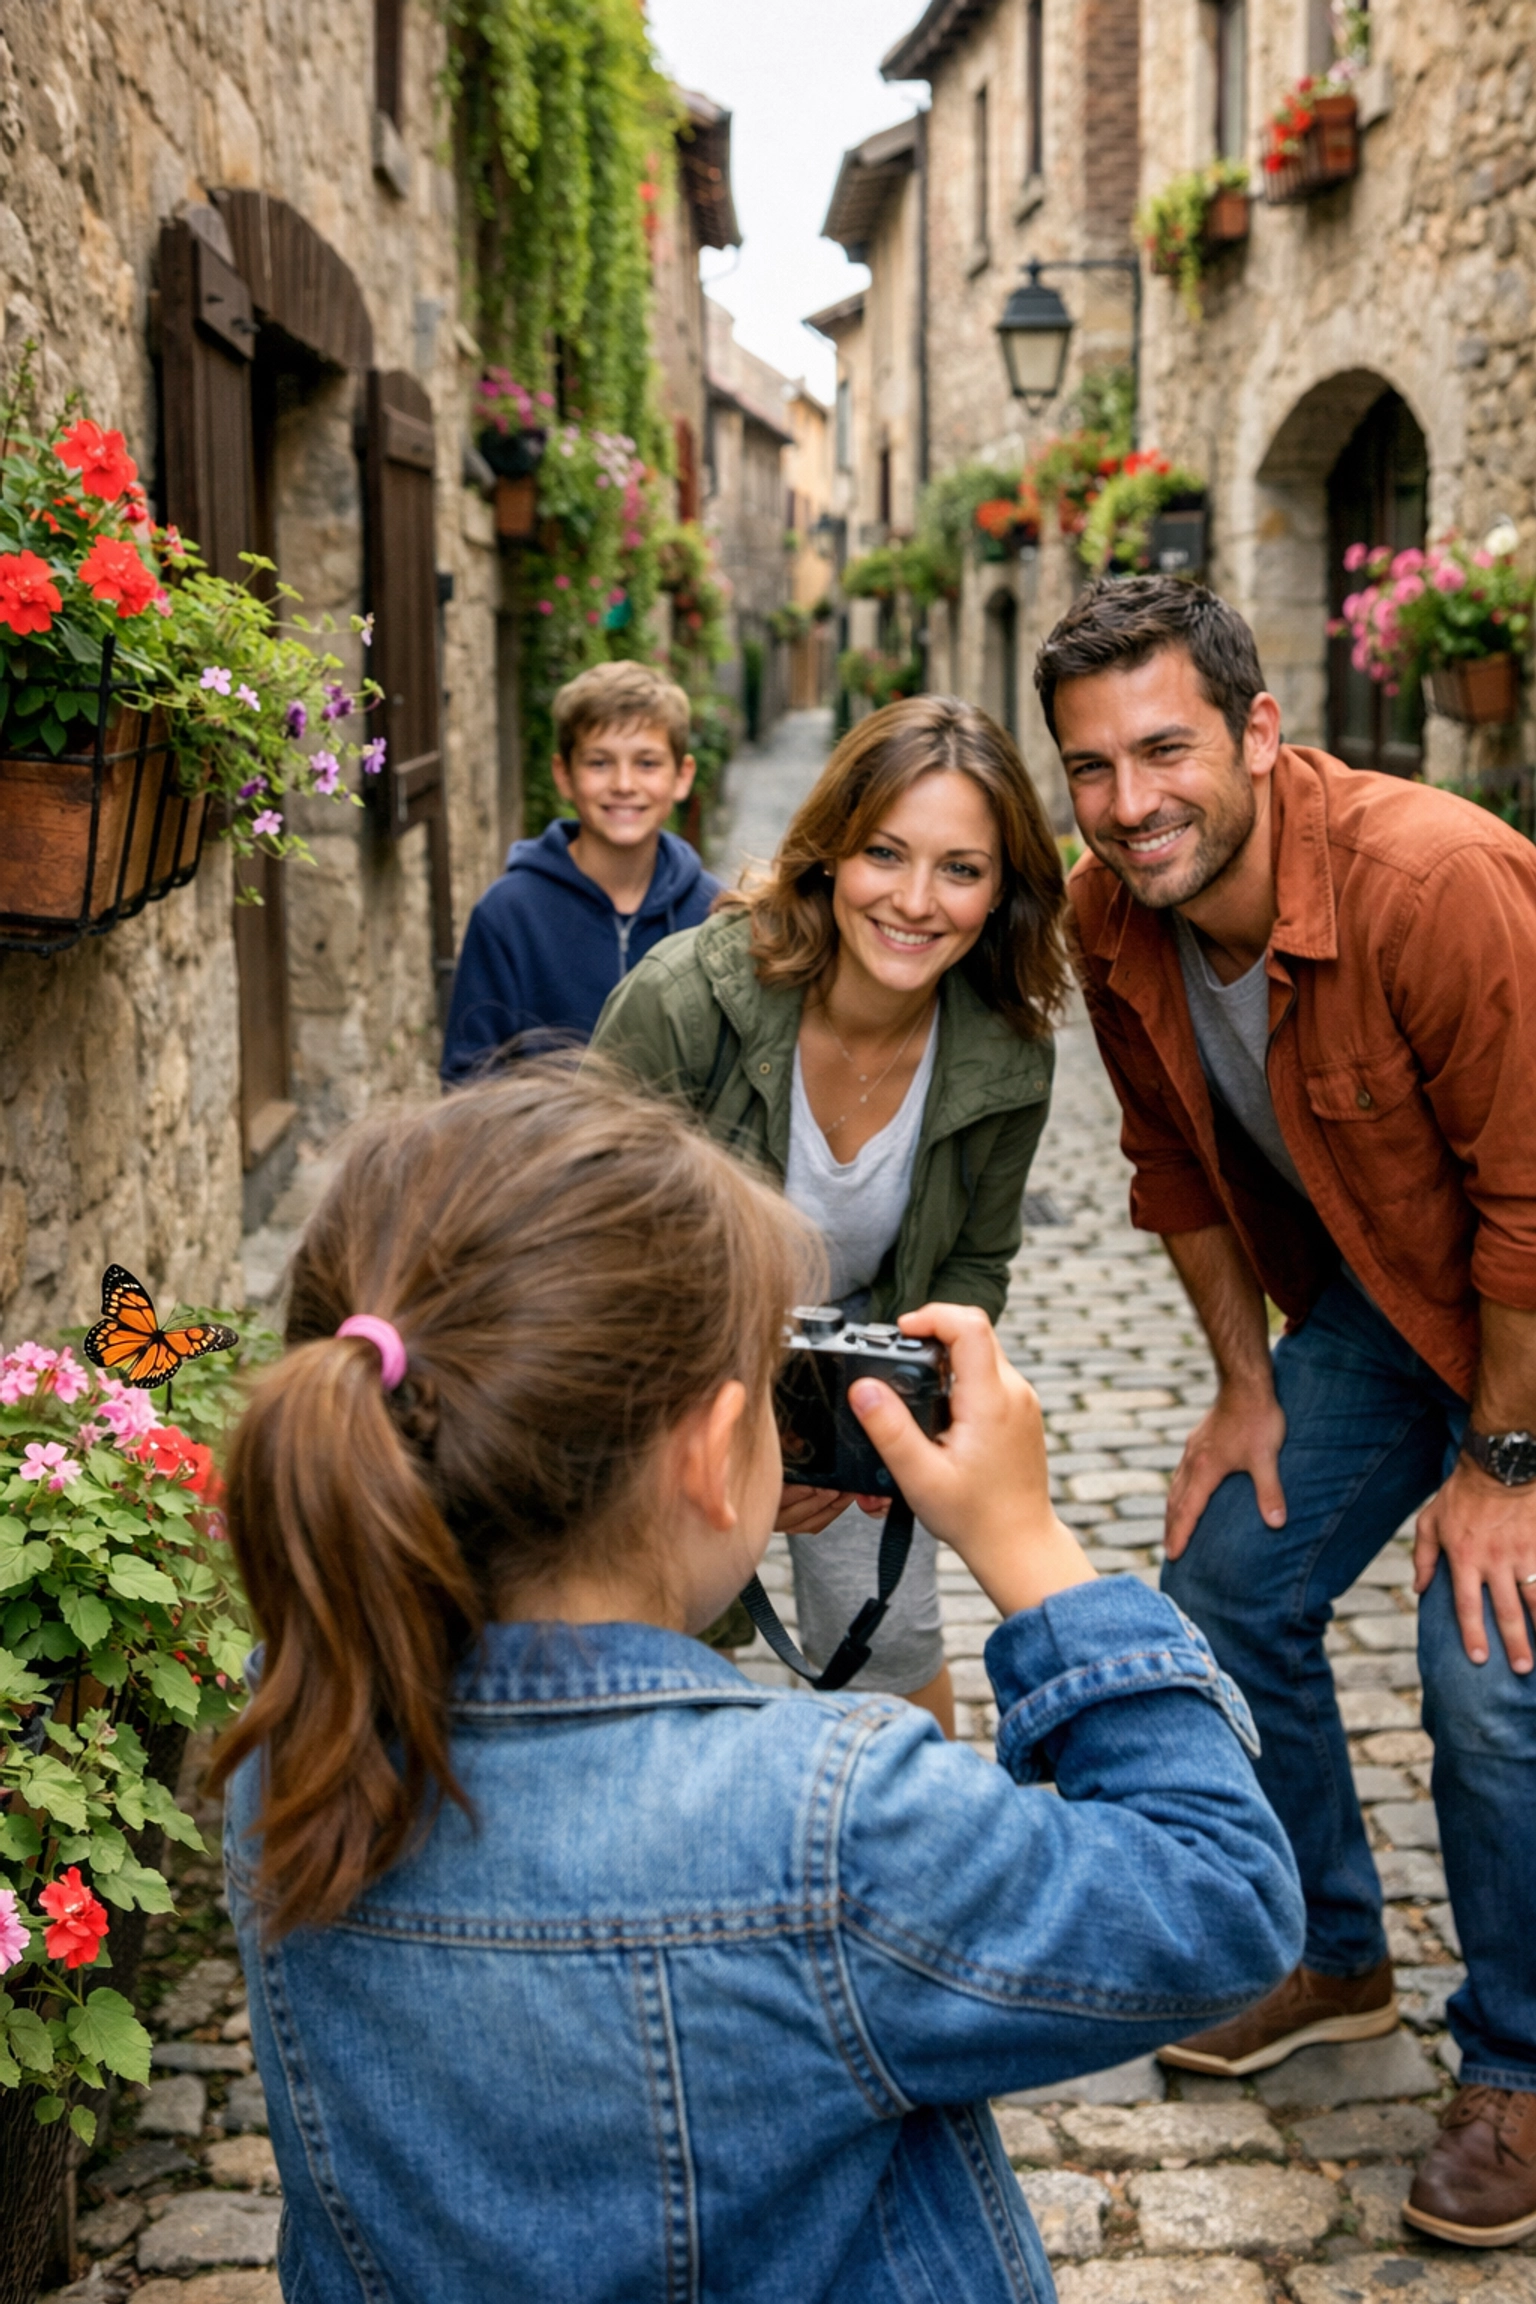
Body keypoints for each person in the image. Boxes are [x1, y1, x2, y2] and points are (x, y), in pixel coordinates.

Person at [211, 1064, 1302, 2304]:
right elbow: (1221, 1899)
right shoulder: (825, 1823)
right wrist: (1028, 1546)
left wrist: (693, 1516)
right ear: (702, 1451)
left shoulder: (297, 1723)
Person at [1037, 573, 1536, 2248]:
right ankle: (1332, 1949)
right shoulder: (1111, 920)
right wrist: (1243, 1389)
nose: (1127, 803)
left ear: (1258, 727)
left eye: (1163, 749)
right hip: (1398, 1307)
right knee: (1228, 1582)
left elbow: (1532, 1204)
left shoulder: (1436, 884)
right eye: (1090, 768)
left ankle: (1522, 2065)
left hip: (1525, 1307)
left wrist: (1501, 1464)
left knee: (1487, 1661)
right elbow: (1170, 1163)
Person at [592, 695, 1066, 1728]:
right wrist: (741, 1431)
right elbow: (585, 1249)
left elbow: (974, 1269)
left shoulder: (1006, 1059)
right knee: (632, 1662)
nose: (915, 901)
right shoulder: (684, 1004)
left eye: (962, 868)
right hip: (664, 1386)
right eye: (885, 855)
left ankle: (910, 1871)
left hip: (855, 1388)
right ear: (829, 857)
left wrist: (875, 1421)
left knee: (890, 1661)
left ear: (1002, 892)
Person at [440, 661, 718, 1082]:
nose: (624, 783)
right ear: (564, 775)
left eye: (647, 763)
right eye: (599, 763)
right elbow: (470, 1079)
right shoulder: (509, 914)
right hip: (547, 1149)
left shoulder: (713, 915)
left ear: (682, 777)